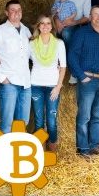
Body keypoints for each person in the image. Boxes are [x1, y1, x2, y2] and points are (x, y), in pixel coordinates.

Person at [68, 6, 99, 158]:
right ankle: (83, 149)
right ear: (90, 16)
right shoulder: (81, 33)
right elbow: (72, 56)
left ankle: (95, 146)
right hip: (88, 80)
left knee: (98, 116)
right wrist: (82, 76)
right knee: (84, 116)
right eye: (95, 14)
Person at [0, 0, 32, 133]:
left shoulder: (26, 31)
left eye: (19, 10)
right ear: (6, 13)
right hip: (9, 84)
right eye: (13, 10)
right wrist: (2, 78)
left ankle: (19, 153)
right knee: (7, 125)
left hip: (26, 84)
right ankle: (5, 153)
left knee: (23, 124)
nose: (17, 13)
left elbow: (33, 54)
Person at [29, 15, 66, 152]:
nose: (45, 26)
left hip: (52, 86)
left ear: (52, 26)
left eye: (48, 23)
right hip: (36, 85)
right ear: (38, 26)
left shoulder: (59, 44)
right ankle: (40, 151)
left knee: (51, 120)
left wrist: (58, 87)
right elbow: (20, 59)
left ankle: (52, 149)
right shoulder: (31, 44)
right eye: (42, 23)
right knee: (39, 121)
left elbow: (63, 67)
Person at [63, 0, 92, 84]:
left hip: (77, 25)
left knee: (66, 34)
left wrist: (73, 23)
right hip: (60, 25)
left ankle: (74, 72)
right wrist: (58, 23)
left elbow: (87, 17)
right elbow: (54, 12)